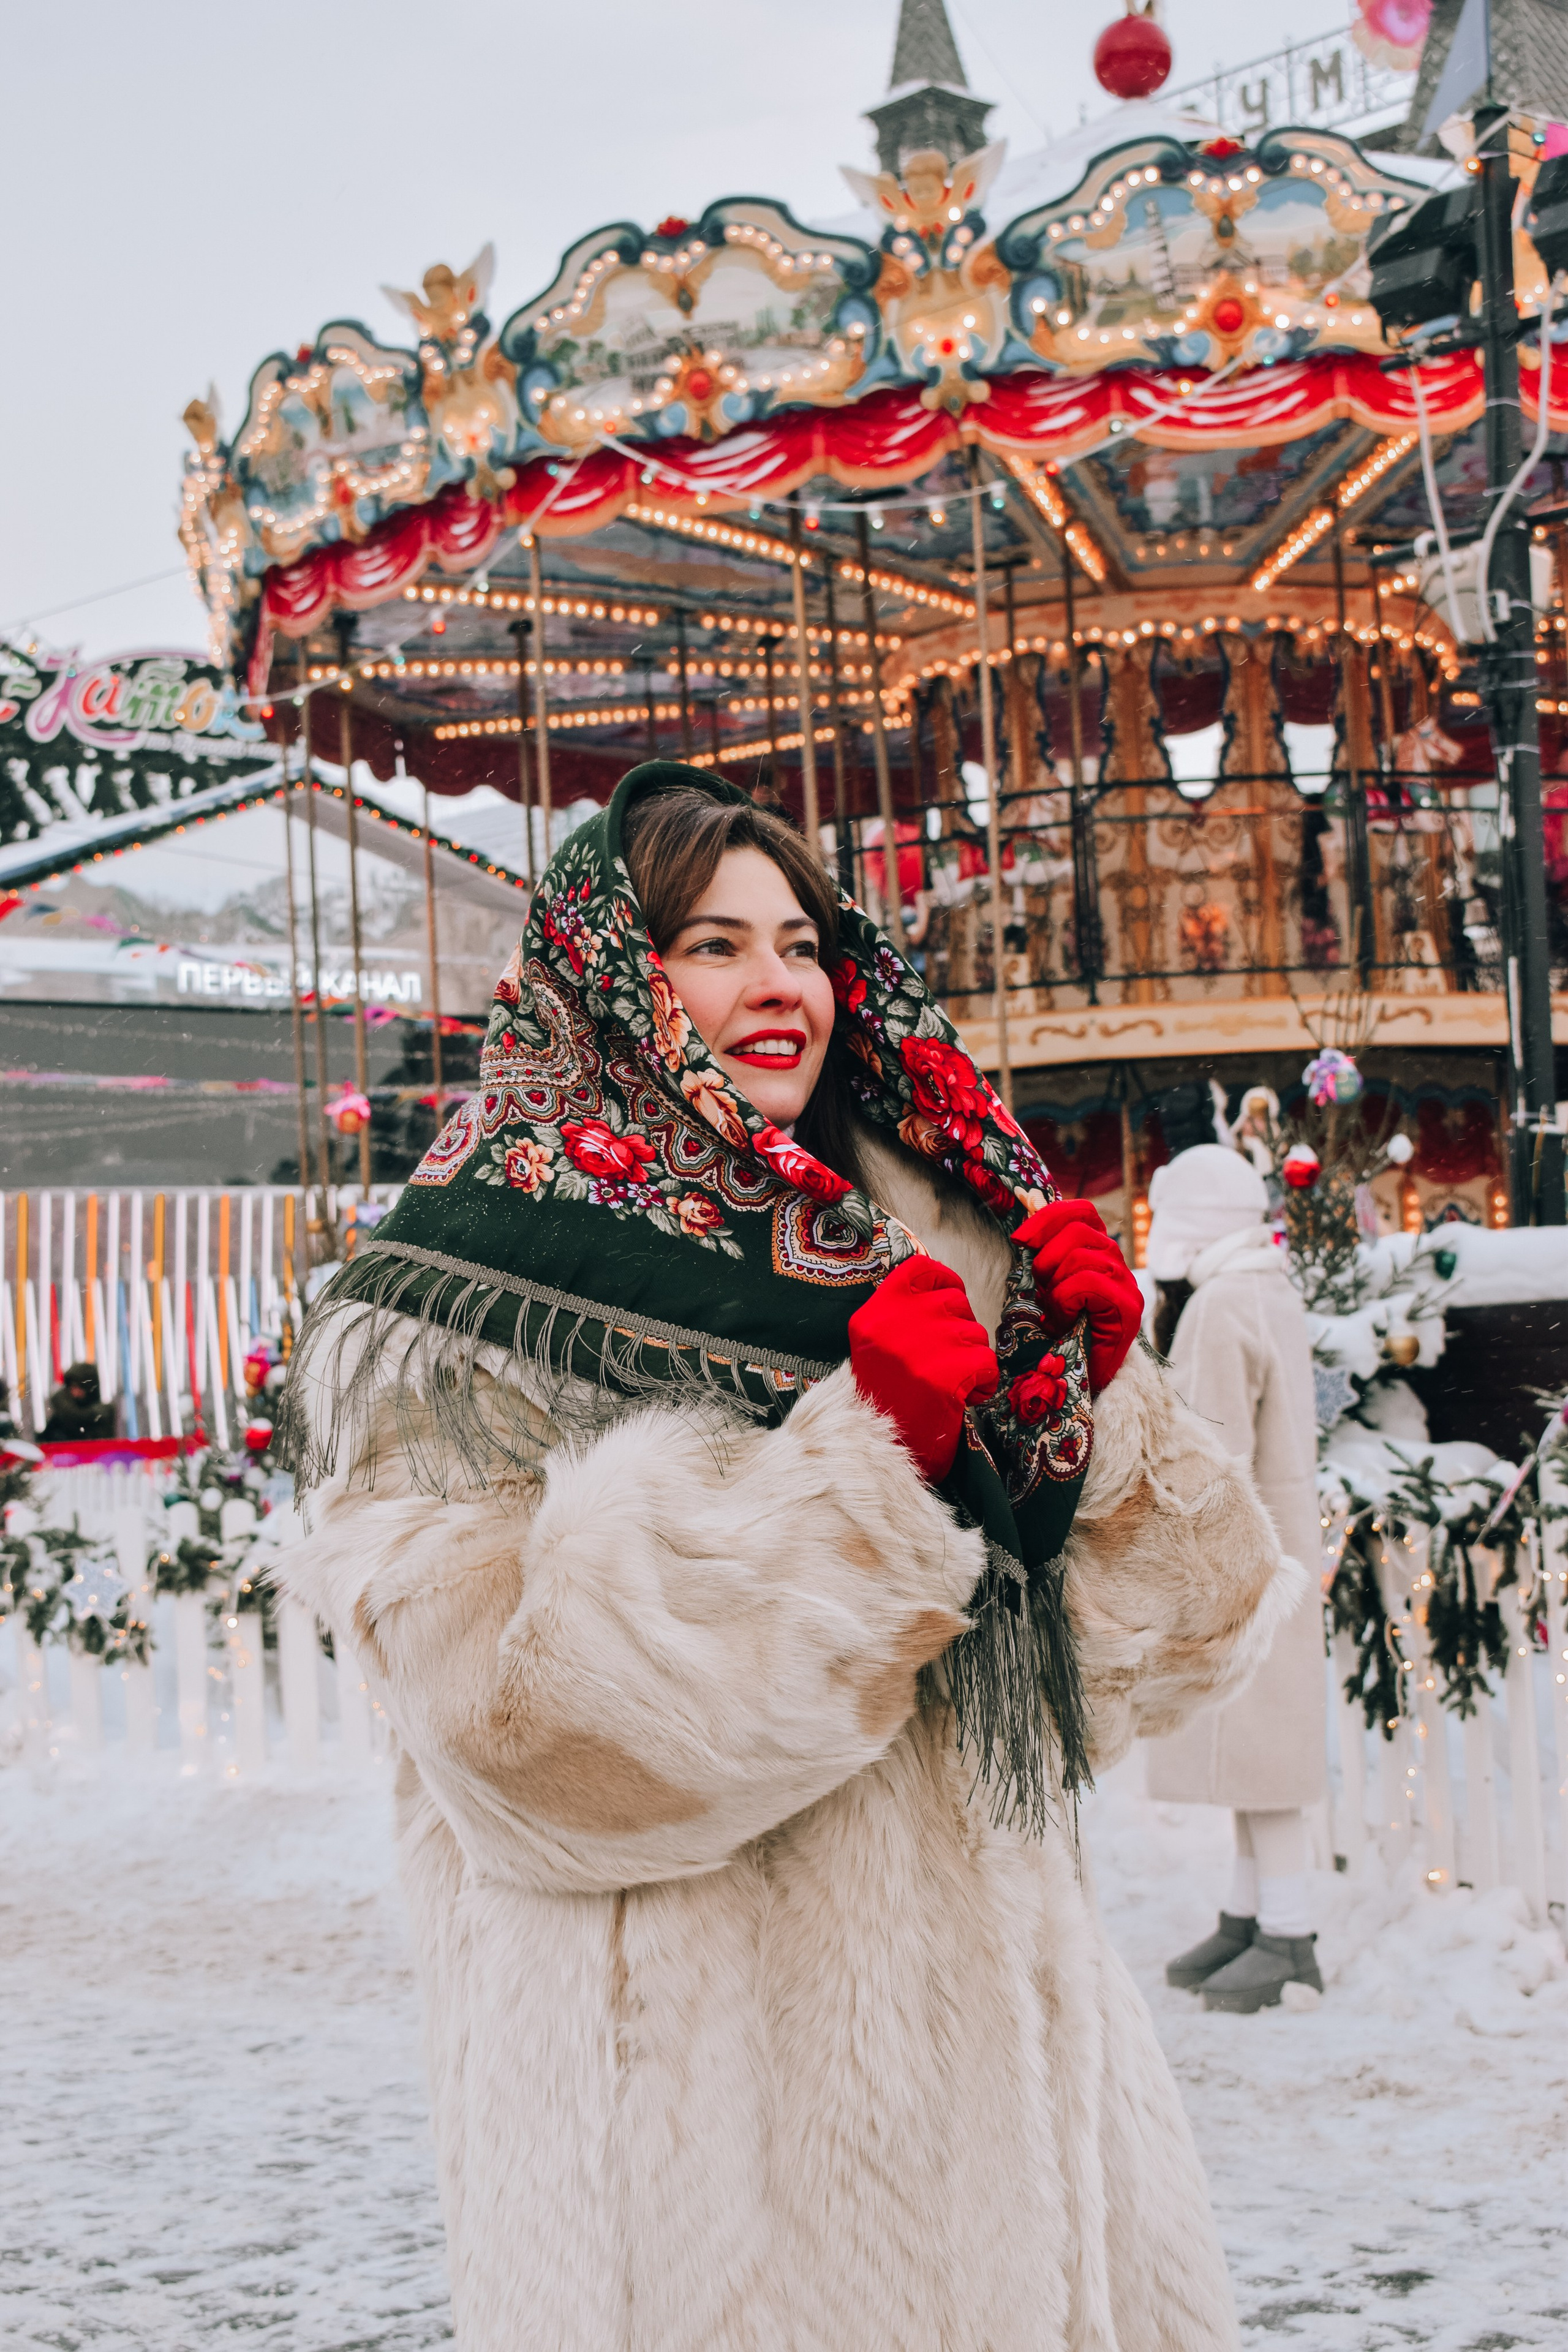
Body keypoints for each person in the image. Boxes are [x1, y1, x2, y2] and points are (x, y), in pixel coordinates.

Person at [276, 762, 1294, 2351]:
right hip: (698, 2160)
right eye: (711, 945)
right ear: (611, 974)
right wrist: (862, 1475)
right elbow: (522, 1750)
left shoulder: (941, 1224)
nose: (778, 986)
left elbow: (1115, 1673)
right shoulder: (461, 1302)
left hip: (1010, 2119)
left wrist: (1087, 1421)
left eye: (803, 942)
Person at [1142, 1144, 1328, 2015]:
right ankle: (1252, 1914)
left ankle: (1288, 1933)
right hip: (1284, 1542)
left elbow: (1208, 1449)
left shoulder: (1219, 1307)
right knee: (1258, 1744)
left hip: (1243, 1554)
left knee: (1259, 1745)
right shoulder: (1268, 1285)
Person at [41, 1362, 115, 1442]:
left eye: (79, 1387)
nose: (75, 1392)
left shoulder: (101, 1413)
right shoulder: (62, 1417)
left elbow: (77, 1417)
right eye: (72, 1387)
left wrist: (60, 1400)